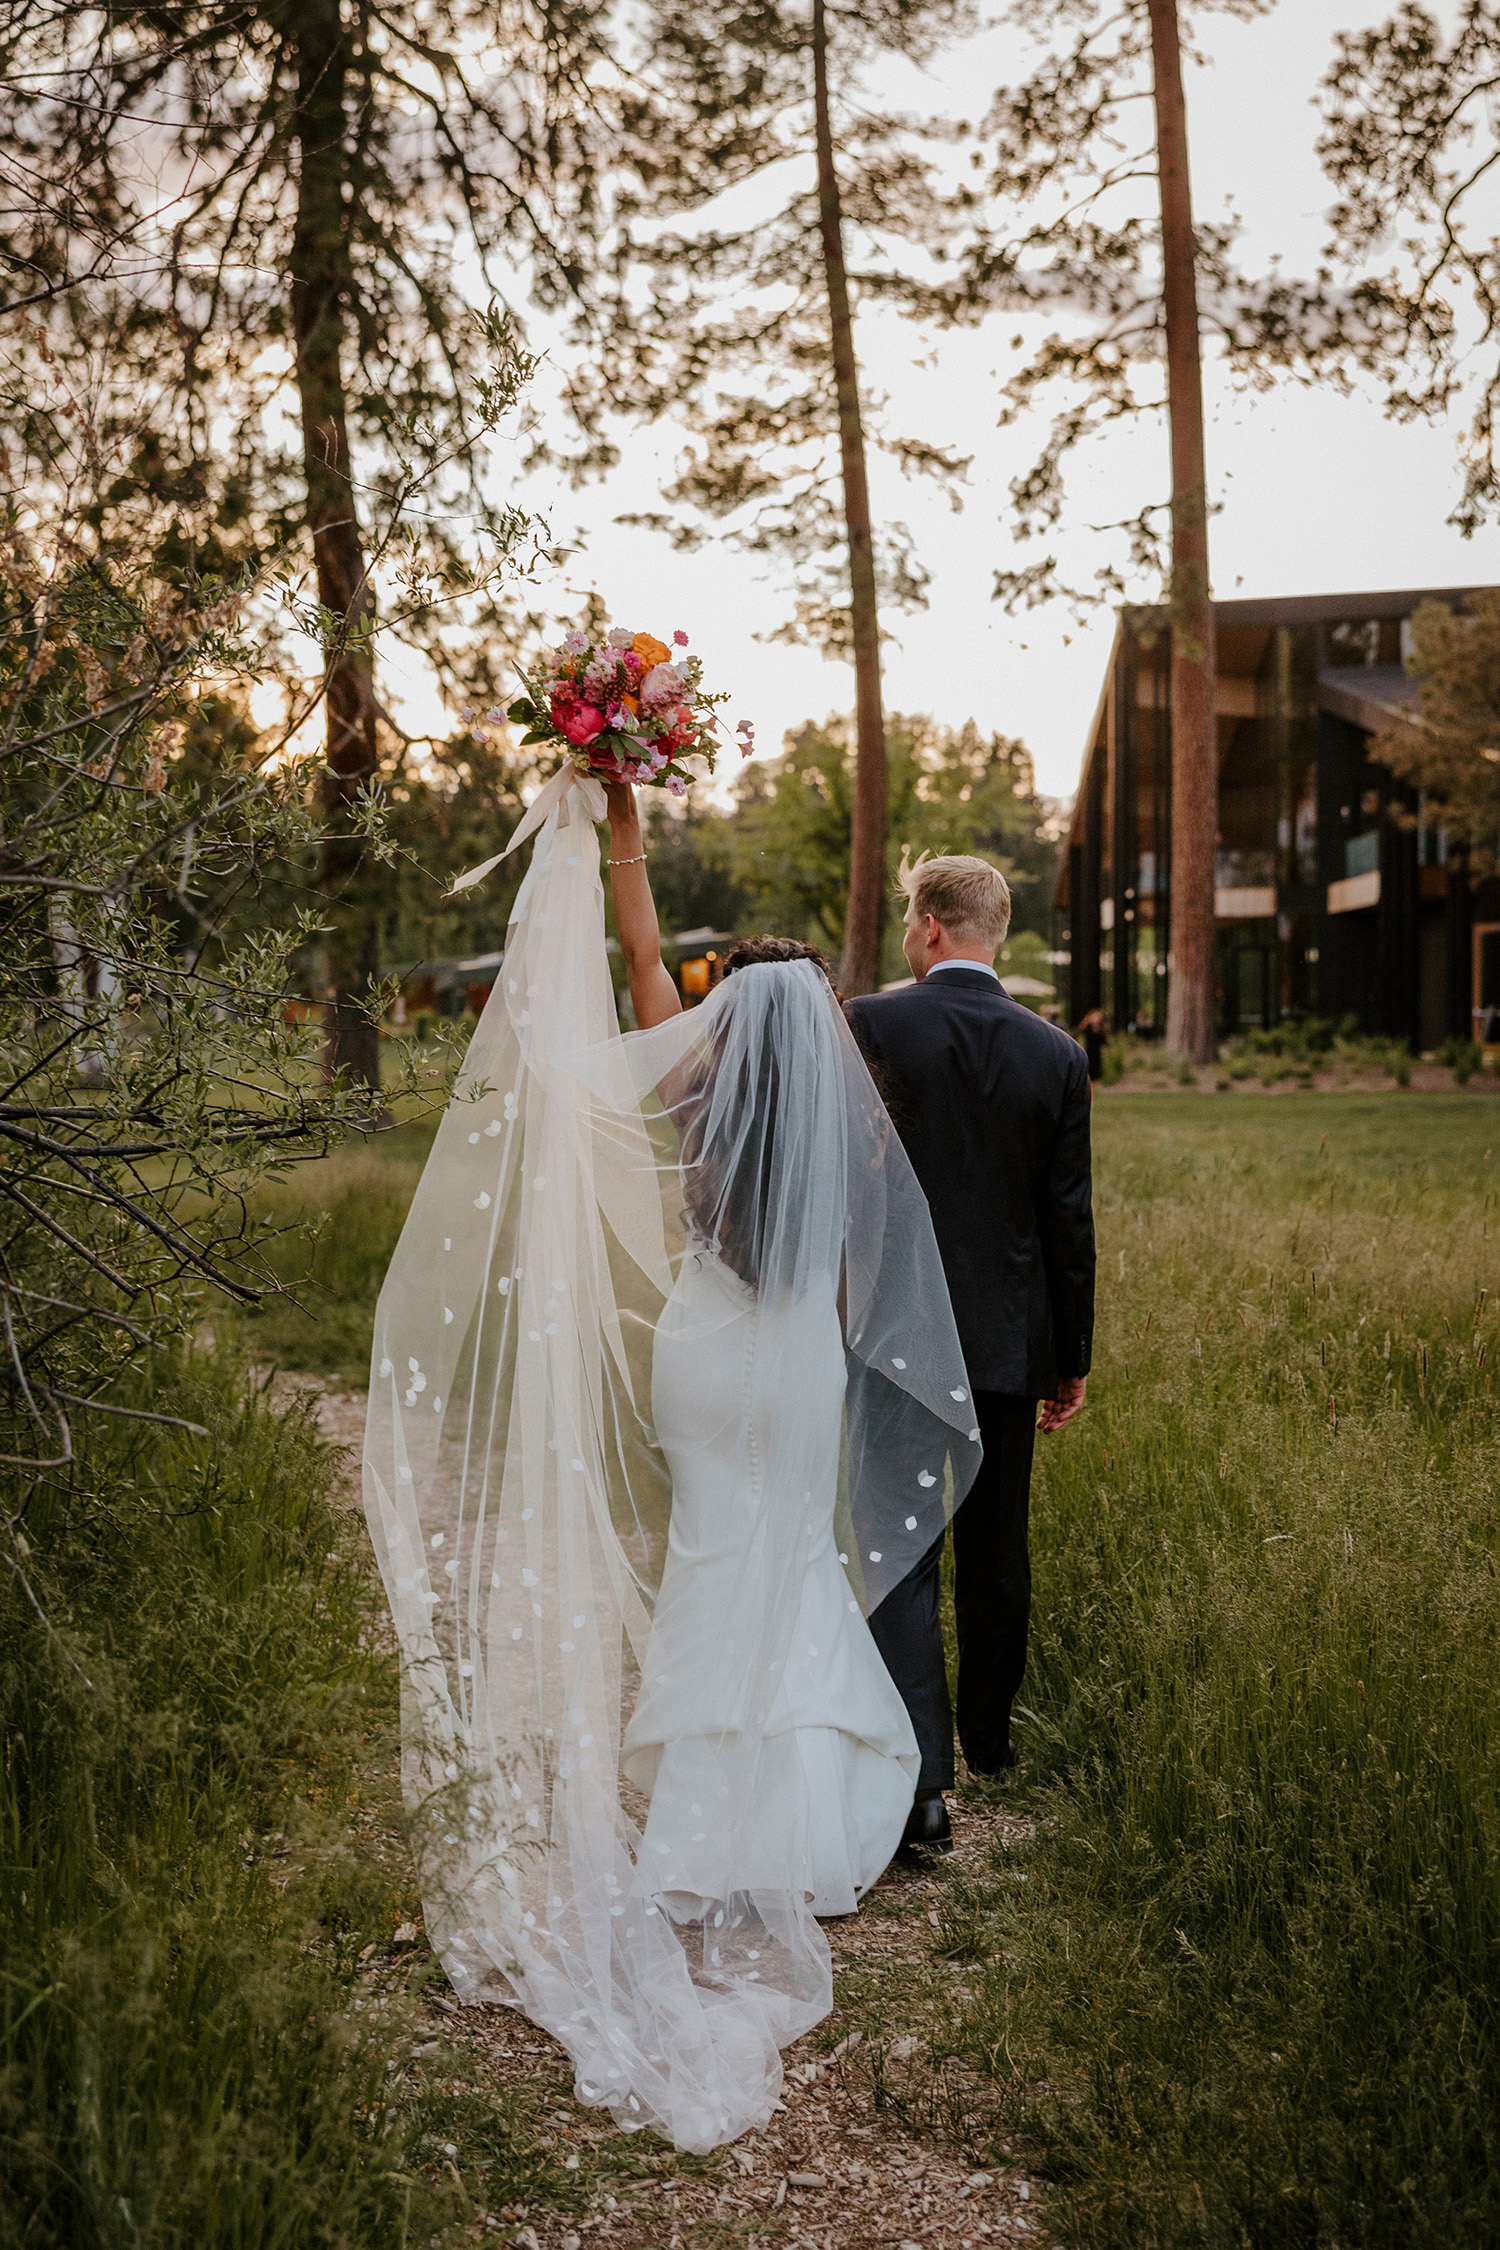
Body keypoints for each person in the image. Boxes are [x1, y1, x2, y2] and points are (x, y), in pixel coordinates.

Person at [362, 772, 980, 2152]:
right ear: (814, 1027)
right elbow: (862, 1272)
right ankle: (808, 1838)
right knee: (789, 1555)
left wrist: (624, 841)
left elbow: (643, 961)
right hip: (798, 1363)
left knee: (712, 1551)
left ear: (719, 1023)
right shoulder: (844, 1109)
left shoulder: (695, 1090)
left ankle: (697, 1834)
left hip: (703, 1349)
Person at [846, 853, 1095, 1853]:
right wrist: (1067, 1357)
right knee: (999, 1548)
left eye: (912, 923)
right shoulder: (1058, 1056)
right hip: (1004, 1346)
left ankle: (924, 1789)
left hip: (896, 1334)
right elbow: (1066, 1224)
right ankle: (989, 1742)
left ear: (932, 927)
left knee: (900, 1552)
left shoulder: (872, 1024)